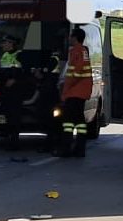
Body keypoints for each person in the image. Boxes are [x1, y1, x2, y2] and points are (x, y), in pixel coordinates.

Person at [58, 27, 93, 157]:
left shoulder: (76, 51)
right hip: (81, 91)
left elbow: (75, 74)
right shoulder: (83, 51)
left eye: (71, 36)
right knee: (79, 122)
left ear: (75, 37)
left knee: (68, 121)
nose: (69, 38)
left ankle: (66, 149)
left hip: (75, 92)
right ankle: (79, 149)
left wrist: (65, 91)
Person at [0, 35, 24, 149]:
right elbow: (2, 71)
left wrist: (15, 80)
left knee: (14, 117)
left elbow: (25, 72)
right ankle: (8, 140)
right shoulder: (5, 55)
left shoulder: (19, 55)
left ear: (11, 44)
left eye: (5, 43)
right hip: (5, 92)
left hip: (15, 92)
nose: (3, 45)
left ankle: (15, 141)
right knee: (7, 116)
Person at [34, 50, 64, 152]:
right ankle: (53, 142)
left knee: (50, 119)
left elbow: (43, 73)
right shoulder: (52, 60)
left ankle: (51, 144)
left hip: (50, 94)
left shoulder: (53, 60)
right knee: (49, 119)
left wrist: (40, 72)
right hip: (49, 92)